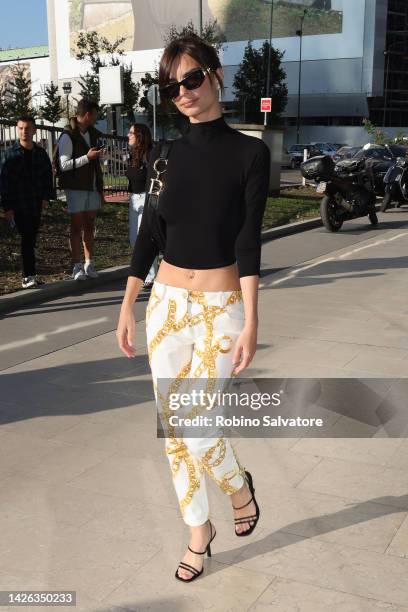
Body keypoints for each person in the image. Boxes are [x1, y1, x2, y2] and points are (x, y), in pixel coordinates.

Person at [116, 35, 270, 583]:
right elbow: (151, 234)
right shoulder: (164, 154)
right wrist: (130, 301)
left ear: (214, 73)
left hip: (221, 308)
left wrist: (252, 319)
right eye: (171, 85)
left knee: (199, 428)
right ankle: (197, 533)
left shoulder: (251, 152)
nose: (182, 92)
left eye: (190, 79)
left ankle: (238, 487)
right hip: (166, 307)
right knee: (173, 431)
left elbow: (249, 241)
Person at [0, 115, 53, 289]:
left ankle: (31, 274)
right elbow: (3, 182)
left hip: (35, 203)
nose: (24, 132)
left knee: (31, 239)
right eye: (21, 128)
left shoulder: (40, 153)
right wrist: (7, 207)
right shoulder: (9, 155)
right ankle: (27, 276)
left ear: (34, 130)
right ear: (17, 129)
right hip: (18, 204)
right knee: (27, 238)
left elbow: (47, 176)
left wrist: (46, 197)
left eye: (28, 128)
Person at [57, 99, 103, 281]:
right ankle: (76, 266)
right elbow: (64, 165)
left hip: (91, 187)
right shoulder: (68, 135)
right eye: (95, 115)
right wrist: (87, 157)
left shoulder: (93, 134)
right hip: (76, 188)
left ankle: (89, 263)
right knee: (76, 227)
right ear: (87, 115)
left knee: (90, 226)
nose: (96, 119)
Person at [126, 123, 157, 288]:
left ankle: (150, 276)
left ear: (140, 136)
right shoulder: (133, 155)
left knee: (143, 238)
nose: (128, 135)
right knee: (133, 239)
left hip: (147, 199)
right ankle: (149, 273)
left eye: (131, 133)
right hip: (134, 199)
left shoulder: (150, 154)